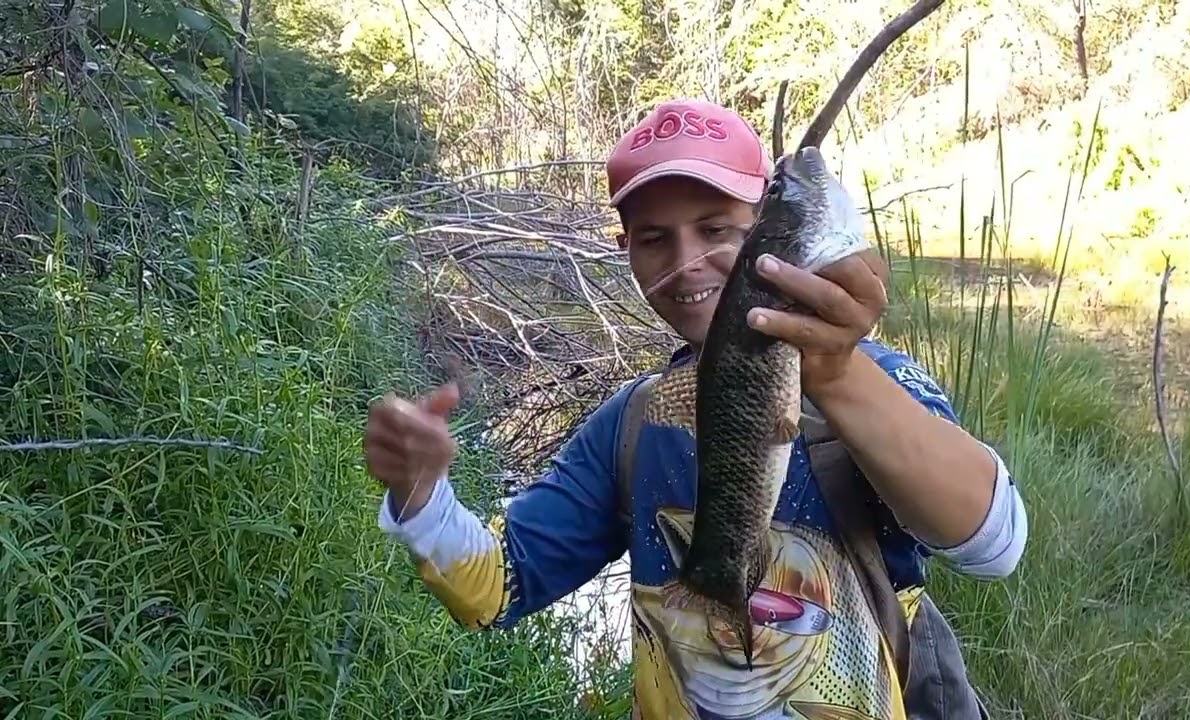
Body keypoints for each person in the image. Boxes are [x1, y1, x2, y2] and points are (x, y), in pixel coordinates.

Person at [365, 98, 1028, 720]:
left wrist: (836, 372)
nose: (687, 263)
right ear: (627, 248)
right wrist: (422, 495)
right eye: (655, 238)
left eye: (716, 229)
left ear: (766, 237)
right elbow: (496, 588)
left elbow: (993, 544)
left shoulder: (872, 378)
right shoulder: (632, 425)